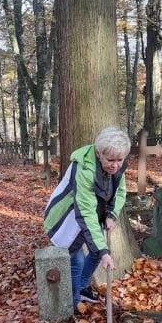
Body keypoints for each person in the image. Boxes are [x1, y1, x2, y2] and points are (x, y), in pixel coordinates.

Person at [44, 126, 131, 312]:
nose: (115, 165)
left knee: (94, 253)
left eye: (119, 160)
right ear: (99, 154)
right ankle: (73, 304)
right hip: (66, 219)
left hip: (91, 214)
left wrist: (111, 214)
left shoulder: (116, 165)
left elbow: (120, 191)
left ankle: (82, 288)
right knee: (78, 262)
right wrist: (104, 251)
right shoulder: (84, 169)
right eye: (110, 160)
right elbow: (86, 212)